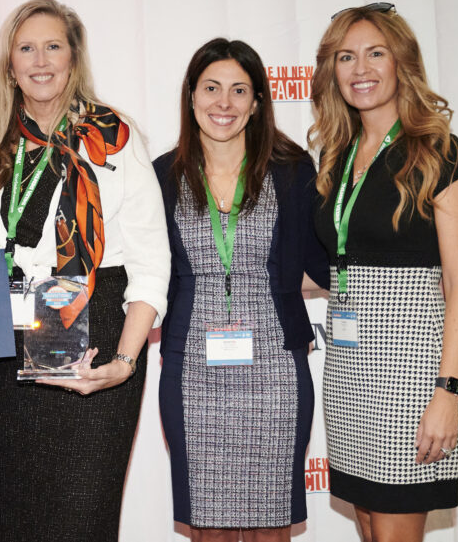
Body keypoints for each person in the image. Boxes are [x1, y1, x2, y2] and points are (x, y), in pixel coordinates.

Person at [0, 0, 170, 541]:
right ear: (9, 64)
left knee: (79, 519)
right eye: (26, 48)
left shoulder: (114, 138)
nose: (40, 60)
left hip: (94, 347)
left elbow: (151, 262)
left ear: (73, 57)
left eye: (53, 46)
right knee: (3, 519)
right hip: (2, 355)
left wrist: (125, 361)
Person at [309, 3, 458, 542]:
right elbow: (338, 266)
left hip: (410, 376)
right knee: (367, 523)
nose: (360, 69)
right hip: (348, 371)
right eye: (346, 57)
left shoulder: (439, 153)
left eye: (375, 54)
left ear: (401, 61)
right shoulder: (337, 156)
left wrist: (448, 394)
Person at [153, 38, 330, 542]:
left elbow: (322, 263)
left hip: (276, 368)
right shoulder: (162, 175)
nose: (224, 103)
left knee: (272, 526)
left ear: (256, 103)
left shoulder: (293, 170)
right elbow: (149, 272)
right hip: (192, 368)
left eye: (238, 90)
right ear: (191, 96)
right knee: (207, 527)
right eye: (211, 88)